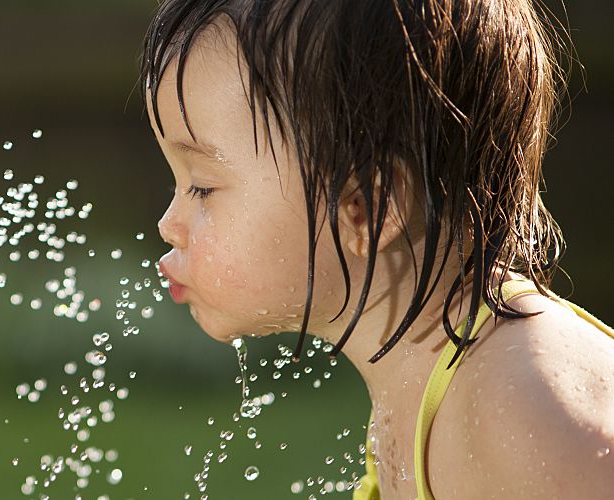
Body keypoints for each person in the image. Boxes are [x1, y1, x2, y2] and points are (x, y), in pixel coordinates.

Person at [140, 1, 614, 498]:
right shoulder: (422, 380)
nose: (168, 224)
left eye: (202, 187)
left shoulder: (520, 408)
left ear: (368, 206)